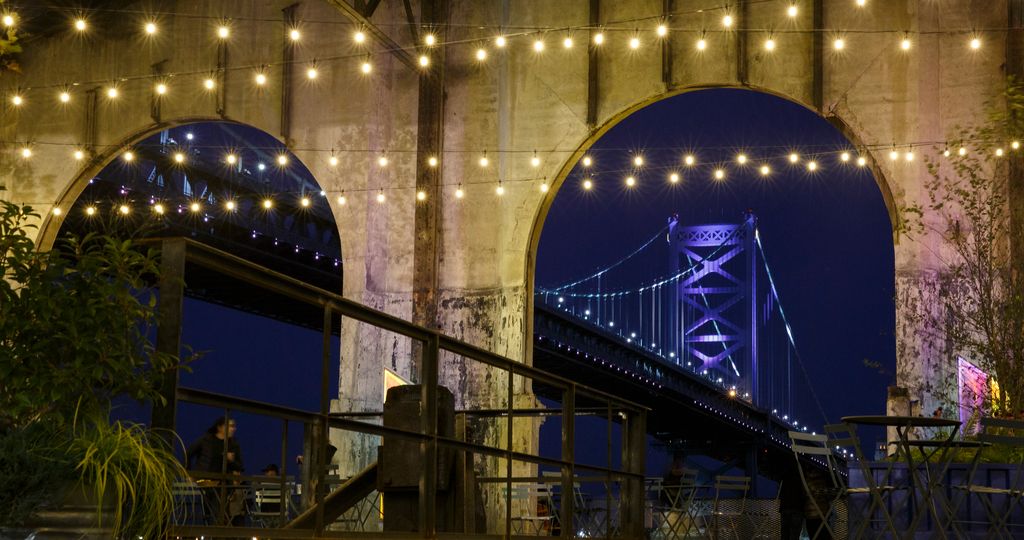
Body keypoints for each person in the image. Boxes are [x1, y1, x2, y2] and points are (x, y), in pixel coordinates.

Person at [187, 417, 244, 525]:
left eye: (234, 426)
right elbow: (188, 453)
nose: (233, 429)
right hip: (206, 481)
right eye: (230, 426)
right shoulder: (207, 440)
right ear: (220, 427)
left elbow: (240, 466)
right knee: (217, 512)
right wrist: (189, 473)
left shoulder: (233, 444)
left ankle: (218, 530)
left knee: (220, 512)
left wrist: (230, 461)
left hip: (224, 484)